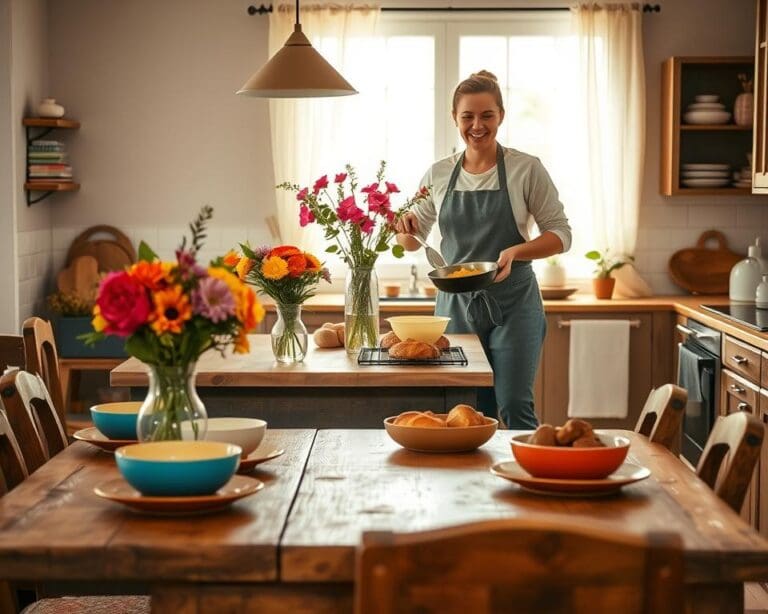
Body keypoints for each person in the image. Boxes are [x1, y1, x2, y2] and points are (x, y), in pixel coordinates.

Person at [395, 70, 571, 429]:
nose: (477, 125)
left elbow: (560, 234)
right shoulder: (438, 174)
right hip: (455, 305)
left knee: (513, 404)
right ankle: (470, 487)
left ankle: (528, 480)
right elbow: (413, 241)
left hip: (514, 302)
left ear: (501, 116)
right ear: (455, 119)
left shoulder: (526, 169)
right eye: (468, 116)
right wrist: (404, 228)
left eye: (487, 115)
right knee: (464, 409)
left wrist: (516, 252)